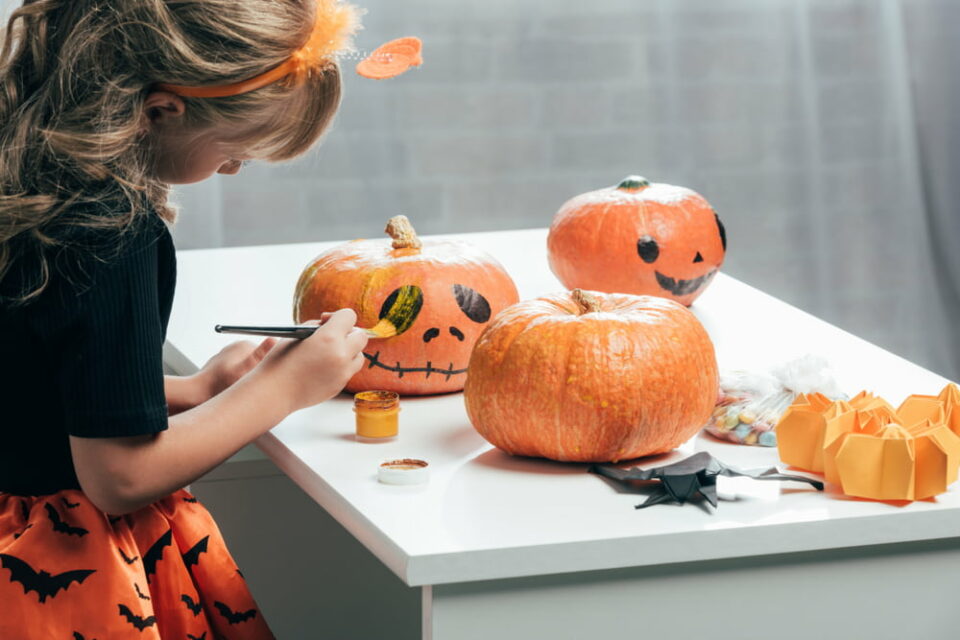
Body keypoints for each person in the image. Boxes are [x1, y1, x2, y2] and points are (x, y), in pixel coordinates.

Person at [0, 1, 372, 637]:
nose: (232, 169)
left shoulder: (23, 179)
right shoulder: (113, 233)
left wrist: (192, 392)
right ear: (162, 108)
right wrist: (284, 388)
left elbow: (31, 381)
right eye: (238, 151)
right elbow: (119, 477)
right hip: (65, 569)